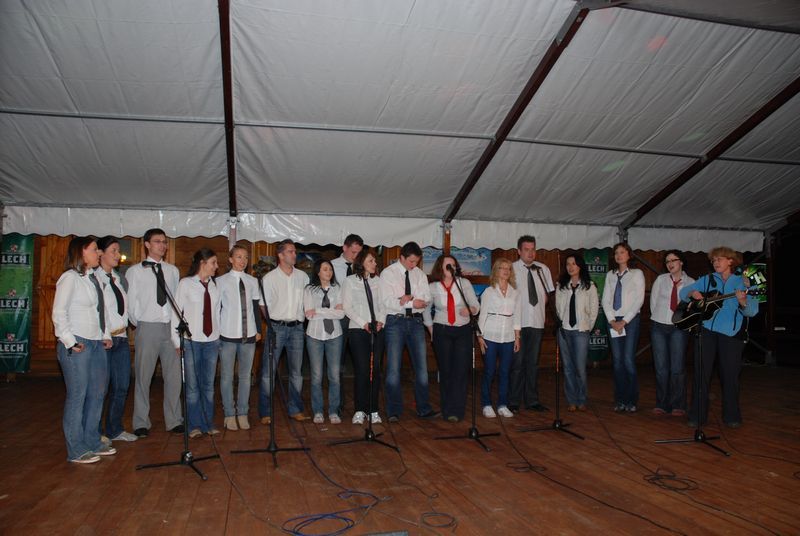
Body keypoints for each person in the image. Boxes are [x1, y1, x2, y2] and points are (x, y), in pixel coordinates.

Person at [52, 237, 115, 464]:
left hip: (96, 342)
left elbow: (101, 311)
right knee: (78, 395)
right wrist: (69, 341)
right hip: (78, 342)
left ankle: (92, 440)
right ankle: (76, 449)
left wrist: (105, 335)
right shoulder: (70, 278)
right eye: (95, 249)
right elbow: (59, 312)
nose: (99, 253)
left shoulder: (93, 279)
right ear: (82, 252)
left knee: (97, 394)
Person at [680, 247, 758, 428]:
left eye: (720, 259)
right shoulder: (708, 279)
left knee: (730, 375)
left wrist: (743, 302)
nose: (716, 262)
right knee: (701, 374)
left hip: (731, 333)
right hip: (706, 330)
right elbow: (683, 293)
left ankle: (732, 416)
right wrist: (692, 293)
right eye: (713, 260)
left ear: (731, 261)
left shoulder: (744, 282)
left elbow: (752, 311)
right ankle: (697, 416)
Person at [126, 228, 183, 437]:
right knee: (143, 377)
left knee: (174, 377)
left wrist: (175, 328)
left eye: (164, 242)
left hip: (170, 328)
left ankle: (174, 420)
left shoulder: (172, 270)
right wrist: (141, 323)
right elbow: (130, 304)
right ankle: (141, 422)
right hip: (147, 327)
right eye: (158, 241)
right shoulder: (135, 271)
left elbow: (176, 301)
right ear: (147, 244)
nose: (163, 245)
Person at [381, 241, 439, 422]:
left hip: (416, 322)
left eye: (417, 262)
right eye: (411, 261)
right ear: (402, 257)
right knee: (393, 369)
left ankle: (423, 408)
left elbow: (426, 298)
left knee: (422, 368)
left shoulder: (419, 274)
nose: (414, 265)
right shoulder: (388, 273)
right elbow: (387, 301)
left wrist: (405, 300)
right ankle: (393, 410)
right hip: (395, 322)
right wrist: (410, 302)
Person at [258, 239, 310, 424]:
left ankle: (295, 409)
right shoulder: (269, 278)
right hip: (277, 328)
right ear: (280, 255)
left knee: (296, 372)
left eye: (295, 251)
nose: (294, 255)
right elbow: (263, 306)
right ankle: (265, 412)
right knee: (268, 372)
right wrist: (271, 324)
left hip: (297, 328)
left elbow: (307, 302)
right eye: (290, 251)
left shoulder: (303, 277)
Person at [423, 255, 480, 422]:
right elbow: (426, 309)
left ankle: (457, 410)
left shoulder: (464, 283)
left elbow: (476, 305)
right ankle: (447, 409)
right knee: (446, 370)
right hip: (442, 330)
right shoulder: (433, 287)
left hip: (462, 330)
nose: (451, 267)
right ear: (440, 267)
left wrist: (470, 309)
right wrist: (431, 328)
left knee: (460, 371)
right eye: (448, 265)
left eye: (453, 265)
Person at [173, 248, 221, 438]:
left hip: (211, 341)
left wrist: (218, 336)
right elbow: (176, 313)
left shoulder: (214, 285)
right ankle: (194, 425)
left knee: (208, 385)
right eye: (213, 262)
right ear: (203, 263)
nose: (216, 266)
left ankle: (207, 423)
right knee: (192, 386)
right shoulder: (185, 284)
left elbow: (216, 313)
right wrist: (177, 342)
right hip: (191, 341)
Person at [95, 236, 137, 442]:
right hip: (103, 340)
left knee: (121, 385)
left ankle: (115, 429)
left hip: (121, 338)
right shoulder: (94, 278)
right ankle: (95, 432)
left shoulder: (119, 279)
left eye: (118, 251)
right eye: (113, 250)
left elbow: (125, 308)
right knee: (101, 388)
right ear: (100, 253)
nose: (118, 255)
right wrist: (104, 335)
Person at [217, 244, 262, 431]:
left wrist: (258, 330)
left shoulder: (252, 281)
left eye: (245, 257)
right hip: (227, 334)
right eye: (238, 257)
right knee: (227, 376)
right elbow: (216, 308)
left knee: (245, 376)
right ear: (230, 259)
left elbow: (255, 308)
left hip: (249, 335)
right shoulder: (220, 281)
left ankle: (243, 412)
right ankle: (229, 413)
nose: (243, 261)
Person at [510, 235, 555, 413]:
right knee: (517, 363)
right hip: (518, 324)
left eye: (533, 249)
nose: (530, 253)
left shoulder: (543, 269)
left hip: (536, 322)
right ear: (519, 251)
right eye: (526, 249)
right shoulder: (512, 269)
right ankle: (513, 401)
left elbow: (547, 295)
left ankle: (532, 401)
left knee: (533, 363)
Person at [342, 248, 387, 424]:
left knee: (375, 370)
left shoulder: (378, 281)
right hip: (358, 330)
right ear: (361, 263)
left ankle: (373, 410)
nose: (374, 263)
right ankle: (360, 410)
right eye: (371, 261)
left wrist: (380, 321)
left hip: (377, 330)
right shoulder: (350, 281)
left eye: (375, 261)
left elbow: (383, 304)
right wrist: (364, 323)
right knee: (362, 370)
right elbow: (347, 307)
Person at [649, 250, 695, 416]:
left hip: (679, 328)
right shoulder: (660, 280)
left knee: (677, 367)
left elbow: (692, 308)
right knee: (661, 368)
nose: (670, 264)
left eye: (673, 260)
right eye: (667, 261)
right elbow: (653, 303)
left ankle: (678, 404)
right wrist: (660, 319)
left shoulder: (691, 282)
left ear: (681, 262)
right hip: (659, 326)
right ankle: (662, 403)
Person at [602, 242, 645, 413]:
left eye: (622, 252)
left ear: (629, 254)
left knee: (628, 360)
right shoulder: (610, 275)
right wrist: (612, 320)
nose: (619, 255)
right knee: (618, 361)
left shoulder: (637, 273)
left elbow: (639, 300)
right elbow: (605, 299)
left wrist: (624, 321)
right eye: (616, 253)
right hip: (613, 320)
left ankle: (632, 400)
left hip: (630, 320)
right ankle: (620, 400)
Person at [554, 253, 599, 412]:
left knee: (580, 367)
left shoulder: (589, 286)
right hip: (564, 330)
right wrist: (562, 324)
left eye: (574, 263)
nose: (570, 267)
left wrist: (587, 327)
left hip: (581, 331)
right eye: (568, 264)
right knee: (568, 368)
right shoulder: (561, 286)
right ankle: (571, 400)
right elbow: (558, 309)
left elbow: (594, 310)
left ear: (580, 266)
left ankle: (581, 399)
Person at [478, 258, 521, 418]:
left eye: (508, 268)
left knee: (505, 371)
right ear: (496, 270)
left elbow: (517, 316)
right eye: (502, 268)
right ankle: (486, 404)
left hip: (508, 337)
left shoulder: (515, 292)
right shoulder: (489, 292)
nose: (506, 271)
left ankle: (502, 404)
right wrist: (480, 336)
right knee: (489, 371)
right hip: (490, 335)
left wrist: (517, 337)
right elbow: (482, 315)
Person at [304, 259, 346, 424]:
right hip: (314, 335)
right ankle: (318, 411)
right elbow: (308, 314)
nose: (329, 272)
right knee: (316, 376)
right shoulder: (309, 290)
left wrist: (318, 311)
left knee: (334, 376)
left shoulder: (338, 288)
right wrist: (330, 310)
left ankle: (333, 411)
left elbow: (341, 314)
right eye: (325, 269)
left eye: (330, 269)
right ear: (318, 272)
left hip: (335, 335)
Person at [331, 234, 364, 414]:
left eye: (359, 252)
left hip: (358, 319)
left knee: (360, 362)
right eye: (353, 252)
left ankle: (362, 404)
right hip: (340, 319)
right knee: (338, 363)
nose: (355, 256)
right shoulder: (331, 266)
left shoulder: (362, 267)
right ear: (344, 248)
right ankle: (338, 404)